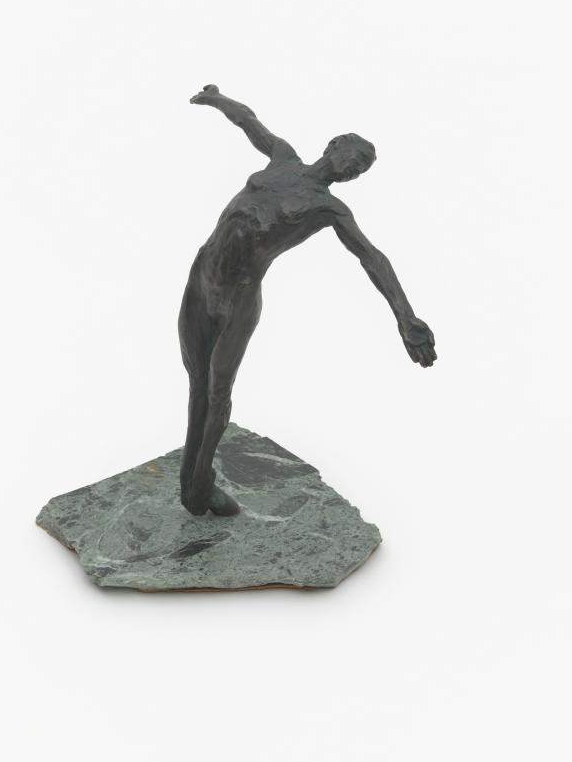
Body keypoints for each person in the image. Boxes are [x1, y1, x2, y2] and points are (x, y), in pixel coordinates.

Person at [178, 85, 436, 516]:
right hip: (201, 279)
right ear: (334, 146)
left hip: (239, 299)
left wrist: (404, 317)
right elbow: (248, 120)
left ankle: (201, 480)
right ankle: (190, 483)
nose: (353, 170)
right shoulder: (282, 157)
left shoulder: (328, 208)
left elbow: (372, 257)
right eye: (354, 159)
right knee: (197, 386)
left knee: (218, 392)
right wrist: (216, 97)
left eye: (360, 170)